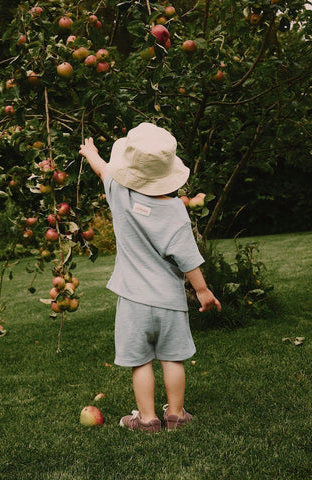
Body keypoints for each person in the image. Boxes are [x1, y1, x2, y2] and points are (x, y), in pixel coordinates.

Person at [79, 122, 221, 433]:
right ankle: (177, 415)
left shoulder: (119, 196)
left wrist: (91, 152)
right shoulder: (175, 211)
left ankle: (147, 419)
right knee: (173, 359)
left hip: (133, 300)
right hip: (169, 301)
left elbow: (104, 170)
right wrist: (203, 290)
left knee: (141, 362)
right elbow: (187, 258)